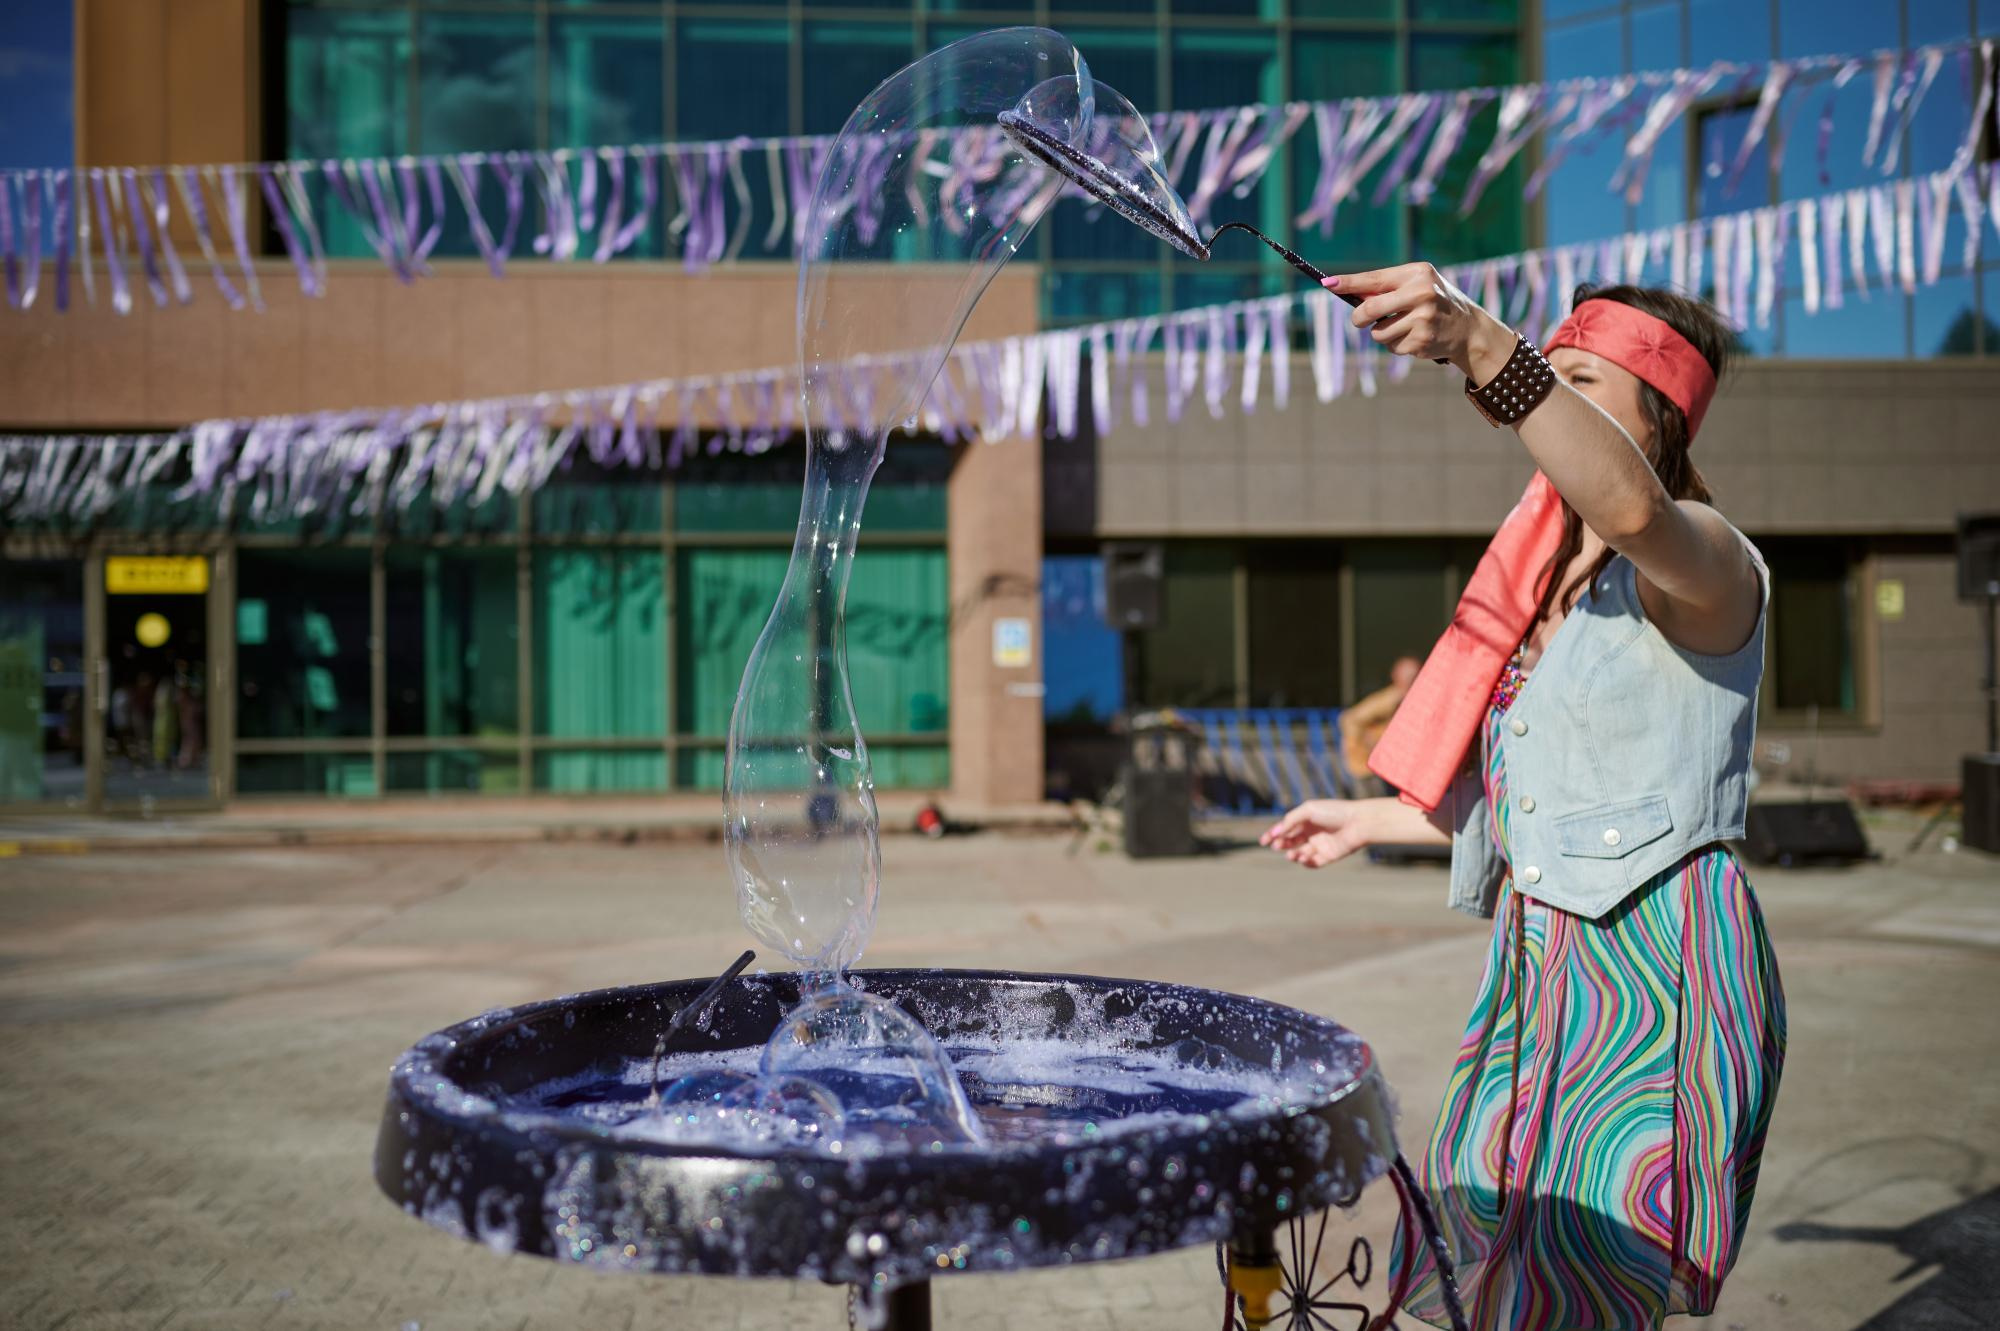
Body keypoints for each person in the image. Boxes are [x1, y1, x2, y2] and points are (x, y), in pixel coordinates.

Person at [1261, 269, 1784, 1330]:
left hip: (1653, 967)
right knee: (1493, 1263)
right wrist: (1370, 818)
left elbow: (1633, 506)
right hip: (1536, 964)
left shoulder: (1705, 559)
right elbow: (1547, 803)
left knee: (1584, 1281)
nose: (1549, 392)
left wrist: (1481, 344)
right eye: (1552, 372)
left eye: (1581, 380)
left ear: (1658, 415)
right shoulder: (1541, 592)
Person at [1339, 654, 1422, 790]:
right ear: (1396, 675)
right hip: (1369, 768)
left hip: (1394, 767)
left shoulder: (1414, 699)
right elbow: (1349, 719)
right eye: (1409, 676)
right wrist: (1369, 743)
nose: (1413, 679)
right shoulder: (1391, 699)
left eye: (1416, 675)